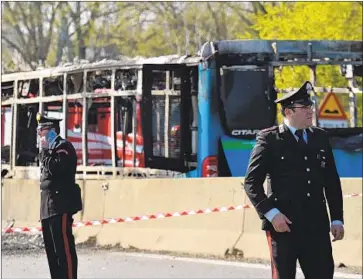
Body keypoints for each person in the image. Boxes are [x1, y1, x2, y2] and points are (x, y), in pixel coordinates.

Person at [243, 81, 344, 279]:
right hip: (284, 226)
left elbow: (331, 181)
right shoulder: (269, 139)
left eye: (311, 106)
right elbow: (251, 183)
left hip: (316, 226)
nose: (310, 111)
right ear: (288, 112)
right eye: (304, 107)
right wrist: (272, 215)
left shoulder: (320, 138)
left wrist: (337, 219)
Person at [37, 113, 82, 279]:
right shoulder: (47, 150)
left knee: (64, 249)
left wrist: (46, 152)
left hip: (60, 204)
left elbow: (57, 169)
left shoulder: (63, 147)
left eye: (42, 130)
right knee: (52, 251)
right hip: (47, 206)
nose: (39, 134)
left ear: (52, 131)